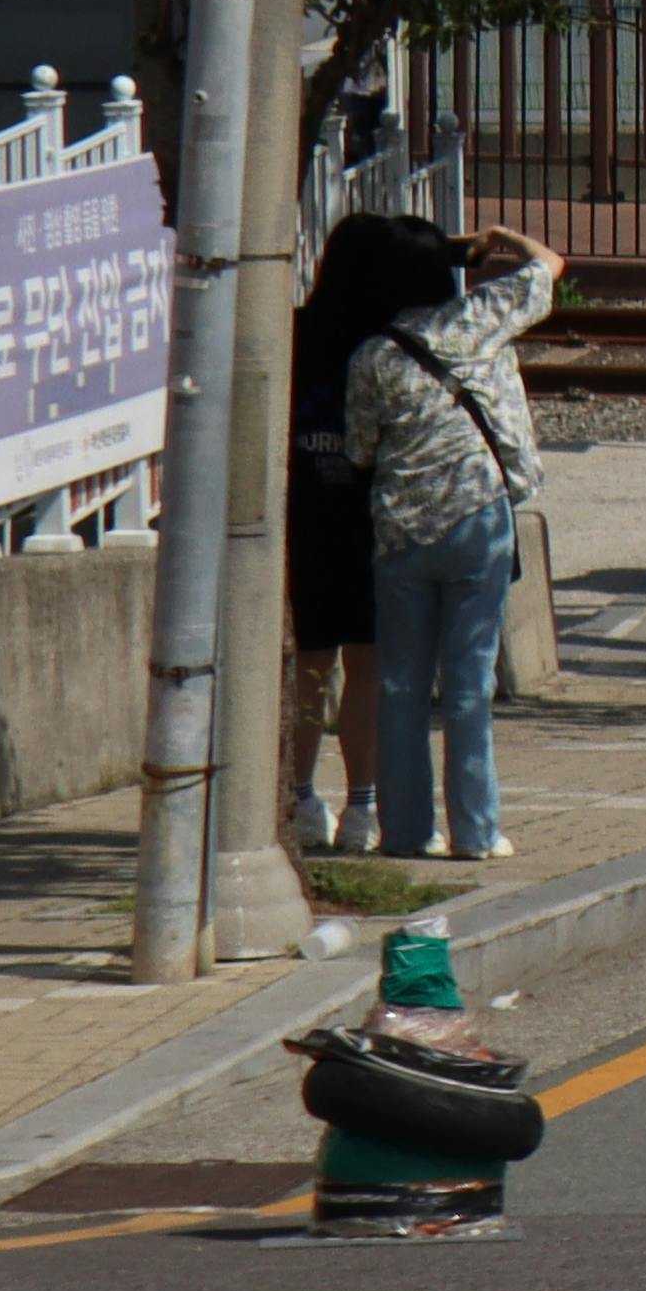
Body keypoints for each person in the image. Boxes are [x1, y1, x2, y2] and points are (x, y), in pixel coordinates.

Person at [345, 217, 565, 867]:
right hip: (478, 519)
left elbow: (360, 450)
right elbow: (552, 263)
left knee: (401, 685)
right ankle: (477, 831)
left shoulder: (372, 355)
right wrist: (500, 239)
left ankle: (407, 831)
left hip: (402, 530)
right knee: (469, 684)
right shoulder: (480, 319)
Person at [279, 215, 417, 854]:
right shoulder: (388, 342)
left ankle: (300, 798)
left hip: (303, 515)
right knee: (368, 666)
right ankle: (362, 809)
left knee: (310, 666)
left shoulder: (293, 331)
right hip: (370, 519)